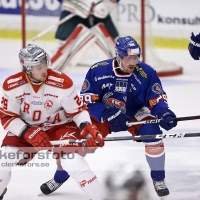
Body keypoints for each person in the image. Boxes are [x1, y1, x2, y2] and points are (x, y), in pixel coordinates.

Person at [40, 36, 178, 198]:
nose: (132, 62)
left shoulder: (146, 72)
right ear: (118, 56)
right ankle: (59, 177)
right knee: (80, 143)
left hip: (135, 113)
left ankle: (158, 179)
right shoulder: (98, 70)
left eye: (135, 57)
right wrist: (105, 115)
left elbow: (156, 98)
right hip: (104, 116)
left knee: (153, 134)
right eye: (128, 58)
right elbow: (87, 99)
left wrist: (163, 113)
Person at [0, 44, 106, 200]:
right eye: (38, 67)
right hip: (27, 128)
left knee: (73, 162)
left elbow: (77, 111)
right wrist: (26, 132)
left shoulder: (62, 83)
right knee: (4, 159)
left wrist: (87, 126)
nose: (44, 70)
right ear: (27, 69)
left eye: (44, 64)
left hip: (60, 126)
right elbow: (7, 117)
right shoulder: (12, 85)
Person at [51, 0, 120, 72]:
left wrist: (109, 3)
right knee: (62, 52)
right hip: (74, 17)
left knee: (116, 53)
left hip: (100, 18)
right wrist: (74, 2)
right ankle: (48, 77)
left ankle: (125, 78)